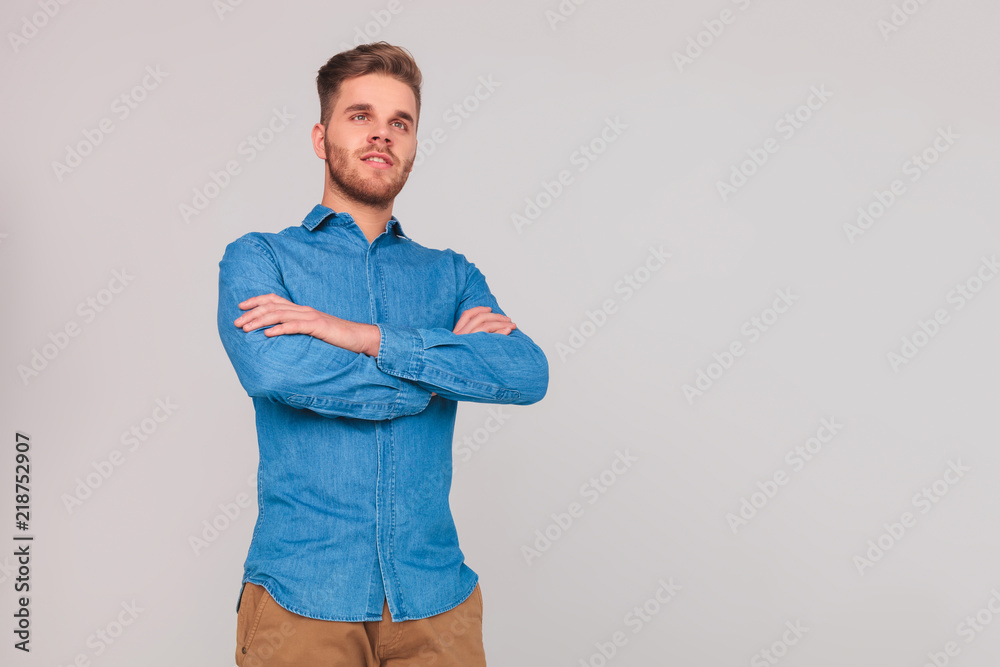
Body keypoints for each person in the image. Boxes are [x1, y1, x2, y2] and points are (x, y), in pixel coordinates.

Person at [216, 41, 549, 666]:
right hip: (301, 601)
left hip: (437, 603)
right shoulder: (261, 258)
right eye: (360, 115)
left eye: (401, 122)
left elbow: (526, 374)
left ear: (414, 145)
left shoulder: (452, 275)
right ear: (321, 138)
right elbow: (274, 368)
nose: (382, 134)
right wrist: (437, 372)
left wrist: (360, 336)